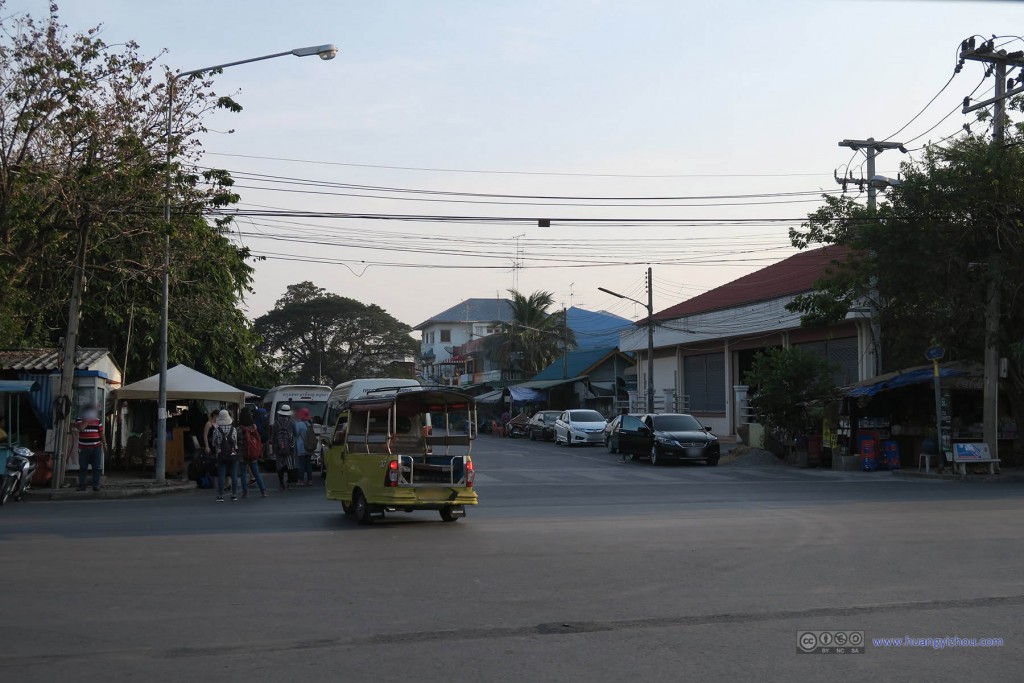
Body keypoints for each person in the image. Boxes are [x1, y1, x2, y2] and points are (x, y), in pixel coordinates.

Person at [237, 407, 267, 498]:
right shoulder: (253, 428)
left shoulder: (239, 429)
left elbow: (236, 441)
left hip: (242, 454)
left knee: (243, 473)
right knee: (256, 472)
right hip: (253, 453)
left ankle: (245, 492)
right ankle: (263, 491)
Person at [74, 406, 105, 491]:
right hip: (84, 448)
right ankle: (82, 486)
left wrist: (105, 444)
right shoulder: (79, 419)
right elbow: (81, 428)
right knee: (83, 467)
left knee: (97, 467)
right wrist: (87, 419)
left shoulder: (97, 420)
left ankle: (96, 485)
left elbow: (101, 433)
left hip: (96, 447)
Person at [211, 409, 239, 502]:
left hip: (221, 455)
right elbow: (235, 443)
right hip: (232, 454)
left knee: (222, 475)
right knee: (234, 475)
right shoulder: (233, 429)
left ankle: (221, 495)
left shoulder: (216, 430)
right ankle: (234, 495)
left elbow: (214, 444)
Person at [272, 404, 296, 491]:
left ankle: (281, 483)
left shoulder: (276, 422)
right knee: (290, 465)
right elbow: (295, 434)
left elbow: (273, 436)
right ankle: (289, 483)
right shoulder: (292, 422)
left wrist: (275, 446)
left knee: (279, 466)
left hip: (279, 448)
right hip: (289, 448)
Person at [294, 408, 314, 487]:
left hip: (301, 447)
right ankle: (310, 480)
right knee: (308, 464)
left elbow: (296, 434)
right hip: (309, 447)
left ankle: (301, 480)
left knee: (301, 464)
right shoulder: (309, 424)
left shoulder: (299, 424)